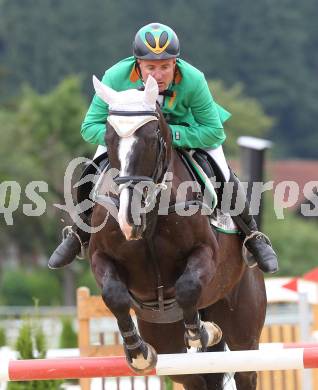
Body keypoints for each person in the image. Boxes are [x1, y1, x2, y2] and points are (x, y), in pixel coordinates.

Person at [48, 22, 278, 274]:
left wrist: (170, 136)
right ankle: (78, 234)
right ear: (138, 64)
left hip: (188, 133)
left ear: (175, 63)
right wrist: (122, 136)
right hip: (131, 138)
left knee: (223, 173)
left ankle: (252, 235)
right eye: (150, 67)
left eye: (165, 66)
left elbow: (214, 132)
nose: (158, 75)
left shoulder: (193, 79)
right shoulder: (115, 77)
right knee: (91, 172)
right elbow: (89, 126)